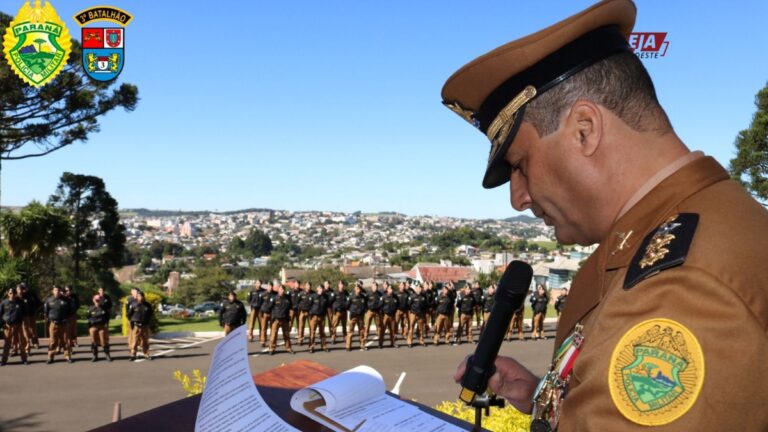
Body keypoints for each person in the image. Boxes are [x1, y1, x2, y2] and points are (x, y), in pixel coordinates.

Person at [445, 1, 768, 429]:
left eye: (520, 164)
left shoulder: (681, 288)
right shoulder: (671, 232)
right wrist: (549, 397)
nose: (517, 199)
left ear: (585, 129)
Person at [44, 285, 72, 364]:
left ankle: (67, 356)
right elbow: (46, 311)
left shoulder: (66, 300)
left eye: (58, 290)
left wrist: (67, 320)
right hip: (54, 323)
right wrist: (49, 320)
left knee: (66, 341)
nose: (57, 292)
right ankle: (50, 357)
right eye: (55, 290)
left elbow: (70, 311)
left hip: (64, 323)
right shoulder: (49, 300)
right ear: (53, 291)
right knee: (53, 341)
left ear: (60, 291)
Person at [1, 288, 29, 365]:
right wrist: (2, 324)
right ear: (8, 294)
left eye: (14, 293)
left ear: (16, 294)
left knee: (21, 343)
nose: (12, 295)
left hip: (19, 325)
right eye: (10, 293)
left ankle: (24, 359)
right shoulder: (4, 303)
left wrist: (25, 323)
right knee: (7, 344)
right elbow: (0, 314)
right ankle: (3, 361)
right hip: (8, 326)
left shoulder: (20, 302)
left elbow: (25, 314)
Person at [268, 284, 294, 355]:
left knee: (287, 335)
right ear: (278, 290)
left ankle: (288, 348)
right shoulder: (274, 298)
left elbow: (291, 308)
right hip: (276, 320)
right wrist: (271, 318)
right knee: (273, 336)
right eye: (280, 289)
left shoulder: (288, 298)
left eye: (283, 289)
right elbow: (269, 308)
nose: (281, 291)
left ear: (284, 290)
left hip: (285, 320)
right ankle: (272, 348)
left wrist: (290, 318)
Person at [127, 291, 152, 361]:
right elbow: (129, 314)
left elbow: (150, 314)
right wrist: (133, 321)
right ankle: (133, 354)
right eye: (138, 296)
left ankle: (146, 354)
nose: (140, 298)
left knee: (145, 341)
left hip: (144, 326)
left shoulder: (147, 305)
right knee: (134, 341)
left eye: (141, 296)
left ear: (143, 297)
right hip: (136, 326)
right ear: (137, 297)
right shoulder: (133, 304)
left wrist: (147, 322)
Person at [87, 294, 111, 362]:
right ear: (93, 300)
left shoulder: (104, 308)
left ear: (101, 300)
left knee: (104, 342)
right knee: (93, 342)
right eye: (96, 299)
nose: (97, 301)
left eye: (98, 299)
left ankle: (107, 355)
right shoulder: (90, 308)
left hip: (102, 327)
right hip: (93, 327)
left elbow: (107, 317)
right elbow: (88, 317)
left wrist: (106, 325)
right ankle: (95, 356)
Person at [17, 283, 40, 352]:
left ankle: (35, 342)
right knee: (24, 330)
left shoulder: (31, 294)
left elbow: (38, 303)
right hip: (23, 315)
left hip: (31, 314)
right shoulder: (19, 296)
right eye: (22, 288)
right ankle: (26, 344)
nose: (24, 290)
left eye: (24, 288)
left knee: (33, 329)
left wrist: (36, 310)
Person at [307, 285, 329, 353]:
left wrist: (324, 315)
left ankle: (324, 346)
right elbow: (309, 306)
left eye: (322, 289)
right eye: (319, 288)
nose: (321, 290)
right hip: (314, 317)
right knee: (312, 332)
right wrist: (311, 314)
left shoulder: (325, 297)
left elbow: (326, 307)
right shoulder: (313, 296)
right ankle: (311, 347)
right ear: (317, 289)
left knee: (322, 332)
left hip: (322, 317)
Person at [345, 283, 367, 351]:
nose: (358, 290)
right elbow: (347, 306)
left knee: (361, 332)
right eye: (357, 289)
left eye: (359, 289)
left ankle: (362, 345)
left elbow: (365, 306)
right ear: (355, 289)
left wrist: (363, 311)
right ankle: (348, 346)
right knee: (350, 332)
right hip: (353, 317)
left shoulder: (363, 297)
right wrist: (352, 311)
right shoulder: (351, 297)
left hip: (360, 317)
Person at [380, 284, 399, 348]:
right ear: (387, 289)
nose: (391, 290)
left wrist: (394, 312)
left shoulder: (395, 297)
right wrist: (382, 315)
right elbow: (380, 306)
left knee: (392, 330)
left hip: (392, 316)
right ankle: (380, 344)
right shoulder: (383, 297)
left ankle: (393, 343)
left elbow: (397, 306)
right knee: (383, 330)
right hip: (385, 316)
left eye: (392, 289)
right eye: (390, 289)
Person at [258, 282, 275, 347]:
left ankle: (271, 341)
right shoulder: (263, 294)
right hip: (264, 313)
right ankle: (263, 341)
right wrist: (261, 312)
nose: (270, 287)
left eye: (271, 286)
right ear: (267, 287)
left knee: (272, 328)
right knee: (263, 328)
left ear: (272, 287)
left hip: (272, 313)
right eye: (268, 286)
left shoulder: (275, 294)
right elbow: (260, 304)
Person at [295, 282, 313, 346]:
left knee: (311, 327)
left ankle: (311, 340)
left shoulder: (313, 293)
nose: (308, 287)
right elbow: (297, 302)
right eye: (307, 285)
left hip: (310, 313)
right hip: (302, 312)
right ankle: (300, 340)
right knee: (301, 326)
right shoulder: (301, 293)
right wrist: (299, 310)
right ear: (305, 286)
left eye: (309, 285)